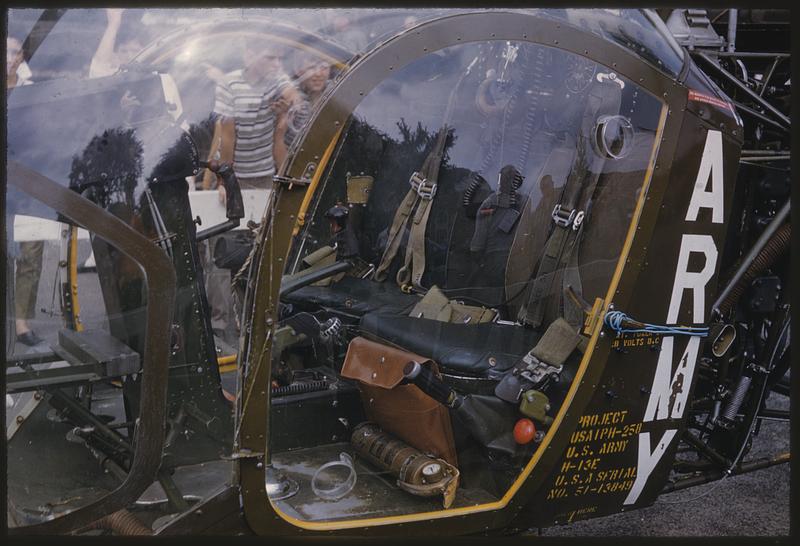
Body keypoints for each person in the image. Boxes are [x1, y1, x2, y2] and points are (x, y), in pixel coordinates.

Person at [200, 38, 299, 340]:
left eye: (278, 58)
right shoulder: (229, 84)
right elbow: (227, 135)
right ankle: (219, 327)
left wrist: (286, 108)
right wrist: (225, 180)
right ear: (249, 54)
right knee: (221, 250)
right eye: (270, 58)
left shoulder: (276, 78)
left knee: (259, 250)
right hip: (236, 175)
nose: (275, 63)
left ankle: (253, 323)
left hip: (264, 175)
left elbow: (293, 96)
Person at [8, 36, 45, 346]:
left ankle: (22, 322)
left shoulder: (34, 92)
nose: (9, 56)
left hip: (29, 179)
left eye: (14, 51)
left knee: (31, 252)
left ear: (21, 57)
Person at [281, 53, 332, 147]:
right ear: (298, 70)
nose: (318, 74)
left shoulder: (335, 90)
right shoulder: (293, 98)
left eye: (324, 67)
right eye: (311, 68)